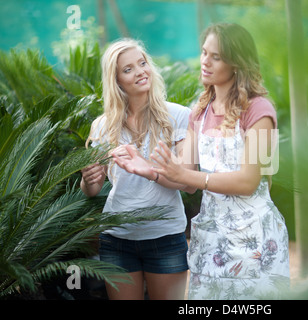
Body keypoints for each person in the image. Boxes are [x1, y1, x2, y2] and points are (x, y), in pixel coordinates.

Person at [114, 23, 290, 299]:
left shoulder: (258, 110)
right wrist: (146, 168)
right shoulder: (200, 111)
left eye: (216, 56)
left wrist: (187, 176)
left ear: (237, 63)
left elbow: (247, 181)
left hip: (255, 242)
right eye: (204, 52)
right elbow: (184, 178)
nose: (205, 62)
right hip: (211, 244)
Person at [80, 38, 194, 300]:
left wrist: (150, 171)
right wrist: (88, 180)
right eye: (128, 69)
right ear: (117, 80)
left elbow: (189, 183)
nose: (140, 71)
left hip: (165, 236)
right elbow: (93, 189)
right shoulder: (102, 126)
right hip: (116, 238)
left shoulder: (178, 116)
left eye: (143, 63)